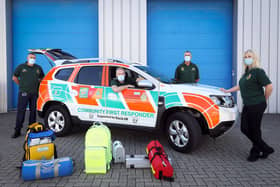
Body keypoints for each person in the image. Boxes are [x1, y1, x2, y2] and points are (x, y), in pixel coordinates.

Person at [221, 49, 274, 162]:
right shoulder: (246, 73)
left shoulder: (258, 71)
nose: (247, 58)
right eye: (245, 57)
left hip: (257, 104)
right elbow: (240, 86)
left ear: (254, 58)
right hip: (248, 105)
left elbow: (269, 86)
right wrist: (227, 91)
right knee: (245, 128)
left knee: (254, 129)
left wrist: (264, 99)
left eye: (249, 56)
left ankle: (255, 152)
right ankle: (264, 148)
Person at [11, 53, 44, 138]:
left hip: (34, 93)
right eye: (31, 57)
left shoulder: (38, 68)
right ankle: (17, 131)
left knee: (33, 112)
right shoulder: (21, 67)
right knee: (21, 111)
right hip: (23, 93)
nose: (32, 59)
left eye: (34, 57)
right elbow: (14, 77)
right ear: (27, 58)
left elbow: (42, 78)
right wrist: (21, 85)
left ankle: (31, 130)